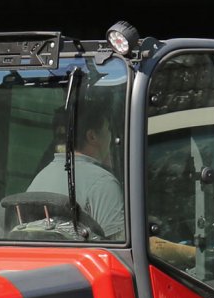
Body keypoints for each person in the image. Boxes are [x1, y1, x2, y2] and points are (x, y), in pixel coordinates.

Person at [26, 101, 199, 267]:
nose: (111, 136)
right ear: (92, 136)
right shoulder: (102, 182)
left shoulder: (40, 178)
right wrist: (196, 254)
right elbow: (129, 253)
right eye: (108, 129)